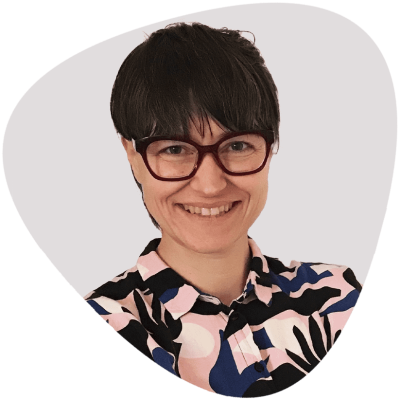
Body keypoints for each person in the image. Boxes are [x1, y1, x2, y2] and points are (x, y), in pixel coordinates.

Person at [84, 22, 362, 398]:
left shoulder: (337, 299)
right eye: (174, 149)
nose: (211, 184)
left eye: (237, 146)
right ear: (132, 157)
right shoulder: (102, 328)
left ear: (270, 148)